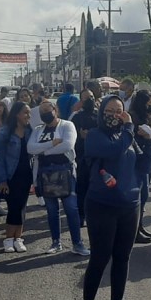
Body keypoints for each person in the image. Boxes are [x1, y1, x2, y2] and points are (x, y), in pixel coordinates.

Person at [76, 96, 140, 300]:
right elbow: (113, 151)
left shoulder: (129, 137)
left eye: (119, 111)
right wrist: (130, 128)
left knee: (122, 257)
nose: (114, 115)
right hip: (101, 204)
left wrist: (150, 142)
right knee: (100, 257)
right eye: (110, 110)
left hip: (129, 205)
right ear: (102, 111)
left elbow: (141, 163)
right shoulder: (94, 136)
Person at [28, 101, 90, 255]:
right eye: (41, 112)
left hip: (65, 173)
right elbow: (30, 148)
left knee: (71, 209)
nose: (44, 114)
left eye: (47, 110)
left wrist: (43, 151)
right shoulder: (37, 130)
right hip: (44, 173)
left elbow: (67, 145)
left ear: (54, 109)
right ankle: (56, 242)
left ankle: (78, 243)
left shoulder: (67, 125)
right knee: (51, 210)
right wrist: (51, 143)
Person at [0, 101, 33, 251]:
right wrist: (2, 180)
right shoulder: (3, 133)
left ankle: (18, 238)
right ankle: (9, 239)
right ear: (17, 114)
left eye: (29, 113)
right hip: (11, 175)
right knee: (14, 207)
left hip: (26, 175)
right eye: (25, 113)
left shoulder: (30, 131)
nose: (28, 116)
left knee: (22, 206)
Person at [129, 91, 151, 243]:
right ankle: (134, 231)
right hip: (136, 161)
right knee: (138, 196)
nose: (150, 106)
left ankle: (139, 226)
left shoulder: (146, 116)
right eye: (148, 103)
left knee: (144, 196)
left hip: (146, 159)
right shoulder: (133, 116)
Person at [71, 90, 98, 225]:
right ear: (81, 101)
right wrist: (81, 137)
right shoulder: (76, 117)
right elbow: (71, 139)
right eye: (87, 98)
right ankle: (81, 215)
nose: (90, 100)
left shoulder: (100, 115)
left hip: (98, 158)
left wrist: (91, 136)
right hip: (82, 158)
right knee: (81, 188)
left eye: (92, 97)